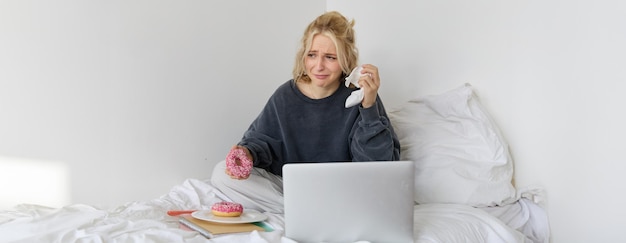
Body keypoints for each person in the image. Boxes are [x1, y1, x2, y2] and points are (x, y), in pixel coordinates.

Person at [211, 11, 400, 213]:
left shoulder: (361, 97)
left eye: (330, 57)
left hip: (340, 191)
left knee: (371, 193)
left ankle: (307, 211)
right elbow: (261, 141)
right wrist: (246, 153)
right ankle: (310, 211)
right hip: (291, 190)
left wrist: (369, 107)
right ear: (304, 56)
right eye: (312, 55)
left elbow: (377, 167)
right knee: (220, 172)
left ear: (346, 59)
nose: (318, 66)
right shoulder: (285, 95)